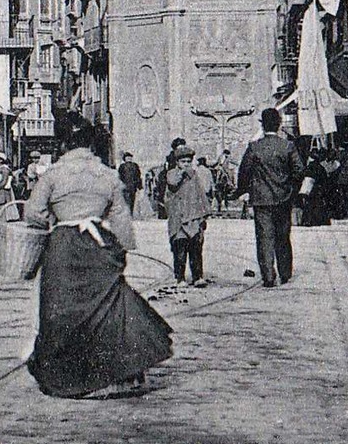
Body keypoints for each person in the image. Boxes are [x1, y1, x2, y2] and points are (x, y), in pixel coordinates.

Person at [24, 119, 173, 398]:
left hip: (63, 245)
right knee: (107, 307)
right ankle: (114, 373)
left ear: (65, 144)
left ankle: (66, 374)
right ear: (92, 145)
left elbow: (33, 212)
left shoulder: (54, 174)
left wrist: (56, 219)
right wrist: (121, 249)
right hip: (97, 244)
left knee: (61, 309)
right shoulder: (106, 174)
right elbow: (120, 217)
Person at [236, 109, 305, 288]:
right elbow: (299, 171)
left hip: (261, 200)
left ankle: (268, 276)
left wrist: (244, 190)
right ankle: (285, 273)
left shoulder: (254, 147)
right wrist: (289, 187)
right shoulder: (288, 146)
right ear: (279, 124)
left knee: (264, 237)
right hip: (284, 198)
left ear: (262, 124)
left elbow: (244, 171)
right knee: (283, 236)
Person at [165, 146, 210, 286]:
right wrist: (182, 173)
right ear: (177, 162)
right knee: (180, 249)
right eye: (183, 161)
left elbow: (201, 194)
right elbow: (172, 183)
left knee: (196, 249)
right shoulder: (172, 174)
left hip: (194, 217)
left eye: (188, 162)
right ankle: (180, 278)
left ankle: (197, 277)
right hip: (178, 219)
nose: (186, 164)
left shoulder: (194, 176)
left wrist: (205, 214)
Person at [210, 147, 237, 216]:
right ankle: (226, 184)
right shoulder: (222, 157)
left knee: (227, 175)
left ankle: (230, 184)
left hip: (225, 170)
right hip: (221, 169)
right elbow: (217, 163)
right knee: (221, 174)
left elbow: (232, 161)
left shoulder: (226, 158)